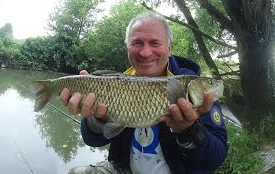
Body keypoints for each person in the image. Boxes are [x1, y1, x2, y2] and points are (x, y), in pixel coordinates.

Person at [61, 12, 228, 174]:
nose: (145, 52)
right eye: (137, 43)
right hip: (124, 168)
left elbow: (215, 158)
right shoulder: (117, 82)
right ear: (128, 48)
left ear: (169, 49)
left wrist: (188, 130)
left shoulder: (193, 89)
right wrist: (99, 120)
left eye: (155, 43)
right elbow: (92, 140)